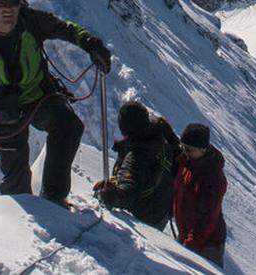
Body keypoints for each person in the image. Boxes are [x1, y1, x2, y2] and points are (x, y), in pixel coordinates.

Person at [0, 0, 111, 207]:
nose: (8, 9)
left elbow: (66, 29)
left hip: (38, 97)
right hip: (1, 112)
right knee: (16, 181)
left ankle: (54, 199)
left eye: (13, 2)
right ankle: (23, 226)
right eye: (0, 3)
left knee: (68, 127)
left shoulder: (31, 21)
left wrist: (90, 44)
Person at [93, 101, 179, 229]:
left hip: (145, 217)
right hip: (161, 209)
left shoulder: (137, 154)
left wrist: (112, 195)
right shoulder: (158, 134)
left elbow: (129, 189)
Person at [174, 123, 227, 269]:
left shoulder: (213, 178)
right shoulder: (188, 164)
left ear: (203, 149)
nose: (184, 152)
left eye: (189, 149)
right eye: (182, 147)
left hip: (206, 244)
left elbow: (207, 217)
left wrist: (190, 245)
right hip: (187, 236)